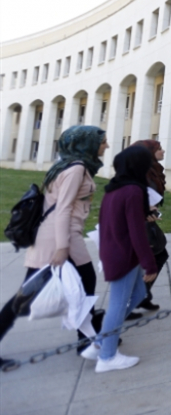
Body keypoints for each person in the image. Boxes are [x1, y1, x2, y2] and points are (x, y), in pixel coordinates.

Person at [0, 126, 109, 369]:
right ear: (86, 144)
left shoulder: (69, 165)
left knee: (84, 285)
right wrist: (61, 247)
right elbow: (63, 209)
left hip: (63, 234)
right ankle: (87, 342)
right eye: (103, 142)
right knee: (26, 296)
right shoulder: (76, 168)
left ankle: (88, 342)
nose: (106, 146)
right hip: (59, 237)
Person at [81, 146, 158, 372]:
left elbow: (120, 221)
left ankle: (99, 343)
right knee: (117, 304)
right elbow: (137, 232)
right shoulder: (133, 190)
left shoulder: (115, 188)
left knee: (139, 294)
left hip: (115, 251)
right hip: (124, 254)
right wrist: (150, 263)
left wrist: (144, 213)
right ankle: (107, 356)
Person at [129, 140, 169, 312]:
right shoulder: (141, 172)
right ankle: (132, 300)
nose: (163, 151)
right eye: (159, 149)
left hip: (148, 219)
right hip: (139, 221)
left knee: (159, 255)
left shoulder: (153, 170)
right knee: (148, 259)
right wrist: (145, 207)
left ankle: (142, 295)